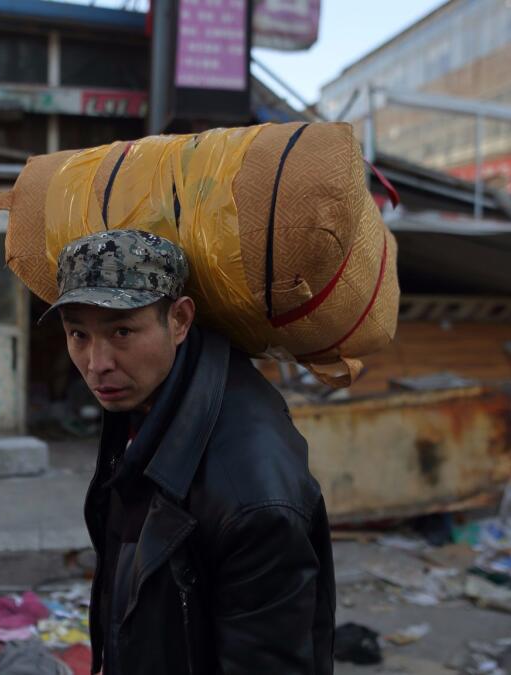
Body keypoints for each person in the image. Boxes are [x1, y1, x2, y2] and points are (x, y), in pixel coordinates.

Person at [42, 229, 335, 674]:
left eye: (122, 331)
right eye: (78, 334)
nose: (96, 363)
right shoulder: (153, 396)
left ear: (179, 320)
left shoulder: (251, 494)